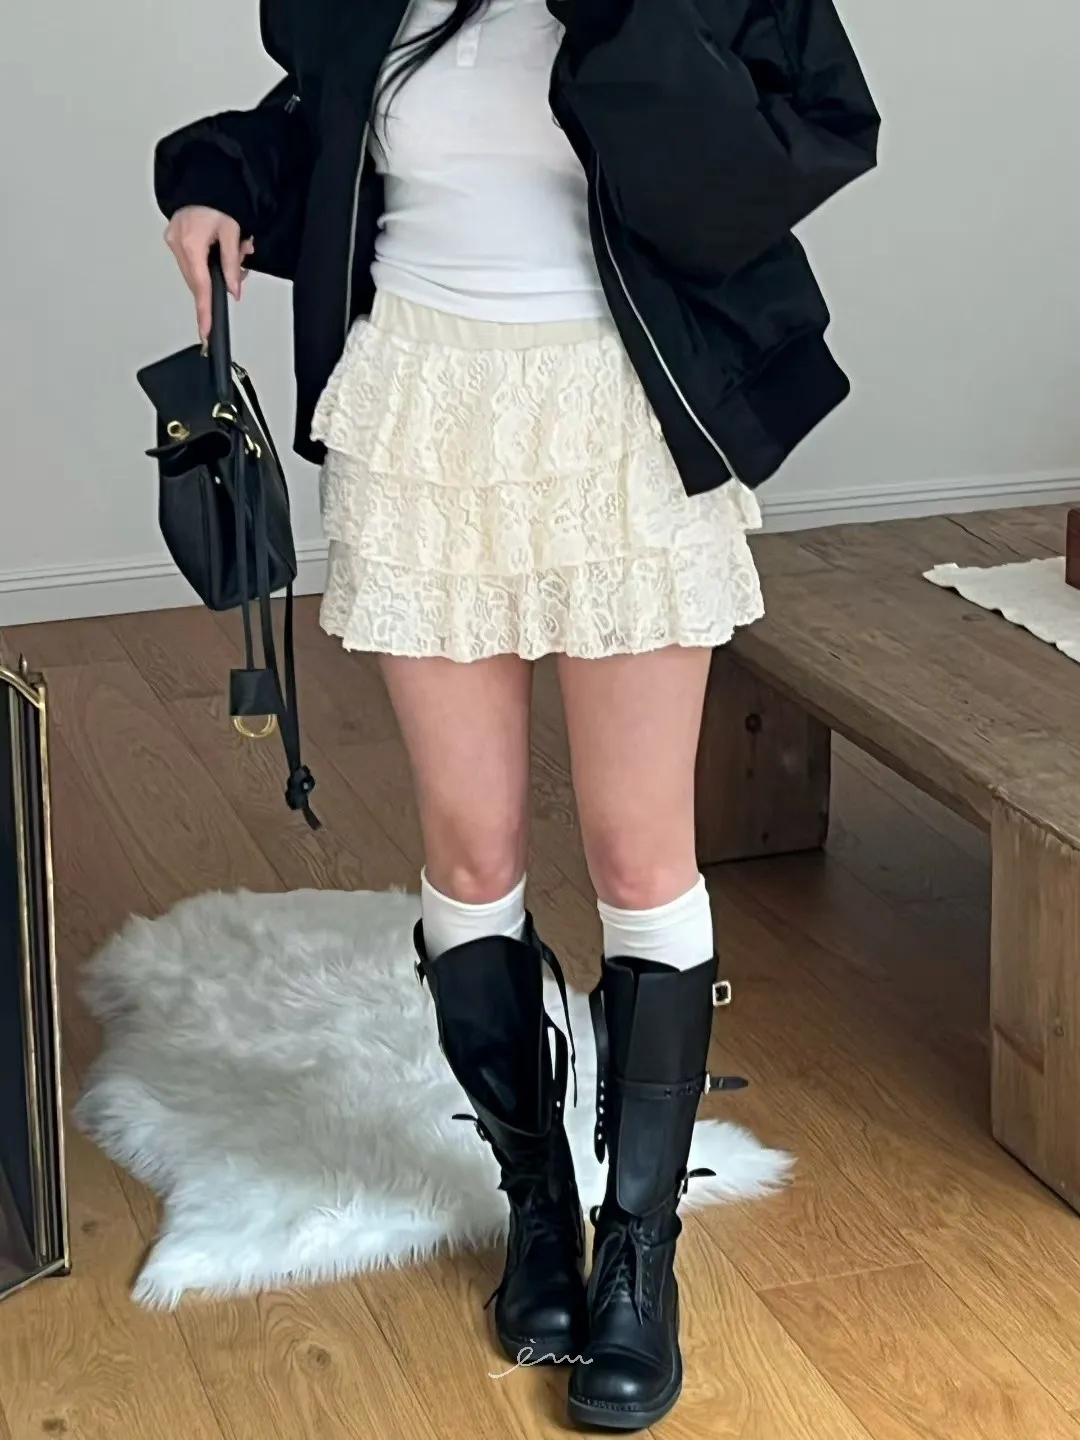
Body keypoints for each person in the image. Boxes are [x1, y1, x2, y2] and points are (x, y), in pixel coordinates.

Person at [156, 0, 878, 1428]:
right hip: (421, 410)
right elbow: (320, 121)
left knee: (637, 854)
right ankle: (536, 1201)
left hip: (624, 413)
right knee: (472, 851)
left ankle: (641, 1253)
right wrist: (214, 182)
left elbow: (781, 156)